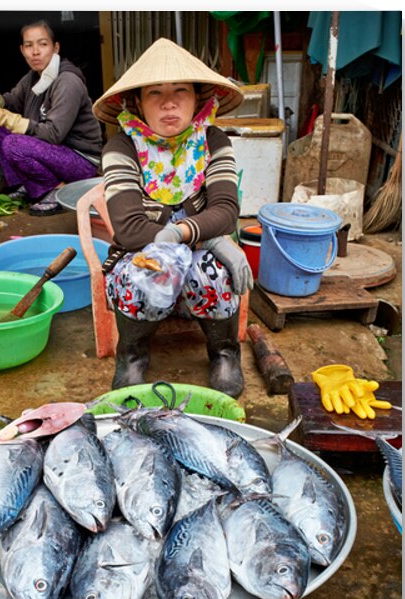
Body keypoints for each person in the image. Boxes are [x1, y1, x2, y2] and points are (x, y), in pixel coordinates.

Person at [92, 38, 251, 399]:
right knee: (139, 273)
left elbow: (226, 210)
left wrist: (189, 235)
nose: (168, 102)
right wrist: (208, 236)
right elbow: (130, 227)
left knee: (215, 273)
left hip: (196, 249)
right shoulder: (122, 147)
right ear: (137, 102)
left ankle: (225, 354)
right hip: (141, 249)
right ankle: (131, 356)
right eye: (154, 94)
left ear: (197, 98)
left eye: (181, 90)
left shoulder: (213, 141)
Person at [0, 20, 102, 216]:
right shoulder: (33, 77)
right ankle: (25, 185)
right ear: (22, 50)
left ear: (56, 47)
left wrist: (9, 119)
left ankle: (55, 189)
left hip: (80, 161)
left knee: (14, 144)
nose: (35, 51)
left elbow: (54, 133)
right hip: (53, 151)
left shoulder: (67, 81)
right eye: (29, 45)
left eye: (43, 44)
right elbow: (11, 103)